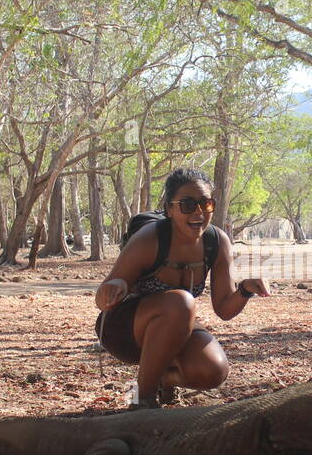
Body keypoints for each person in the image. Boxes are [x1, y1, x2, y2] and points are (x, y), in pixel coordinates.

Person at [94, 168, 269, 408]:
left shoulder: (216, 243)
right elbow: (103, 300)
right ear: (169, 209)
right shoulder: (149, 238)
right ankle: (143, 400)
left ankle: (162, 381)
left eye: (205, 203)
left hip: (175, 329)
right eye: (187, 204)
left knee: (213, 370)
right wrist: (114, 288)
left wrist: (246, 290)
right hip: (123, 331)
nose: (198, 212)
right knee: (182, 302)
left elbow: (224, 310)